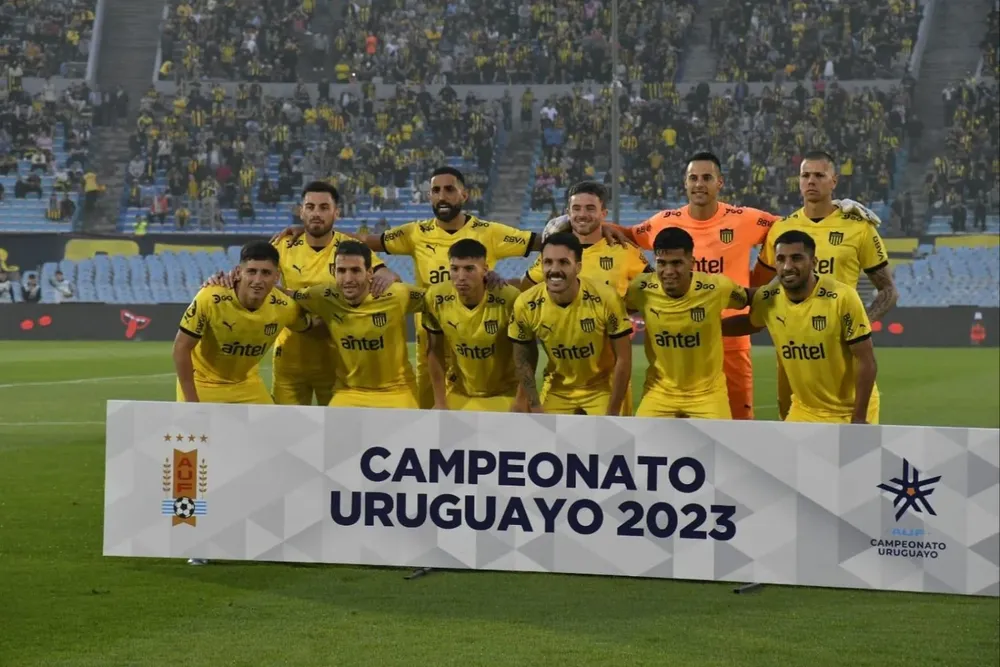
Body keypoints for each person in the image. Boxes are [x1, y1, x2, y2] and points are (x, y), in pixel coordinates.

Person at [546, 151, 881, 422]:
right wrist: (569, 221)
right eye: (693, 177)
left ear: (719, 182)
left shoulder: (745, 218)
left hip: (730, 340)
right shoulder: (664, 222)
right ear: (685, 183)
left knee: (735, 427)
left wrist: (837, 209)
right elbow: (625, 234)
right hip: (679, 343)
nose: (699, 183)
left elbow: (795, 225)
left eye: (707, 177)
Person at [274, 166, 629, 410]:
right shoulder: (414, 232)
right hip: (432, 338)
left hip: (476, 335)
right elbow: (369, 241)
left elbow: (546, 242)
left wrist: (600, 224)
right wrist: (309, 232)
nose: (442, 195)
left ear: (464, 193)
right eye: (435, 190)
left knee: (479, 407)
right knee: (430, 417)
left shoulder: (489, 230)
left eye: (449, 189)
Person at [753, 150, 897, 423]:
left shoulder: (858, 227)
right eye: (805, 175)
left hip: (841, 351)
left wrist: (858, 325)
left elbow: (888, 290)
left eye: (819, 175)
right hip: (795, 346)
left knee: (852, 455)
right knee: (793, 442)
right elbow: (767, 289)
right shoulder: (782, 229)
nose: (811, 181)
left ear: (834, 181)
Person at [521, 180, 652, 415]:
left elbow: (654, 291)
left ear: (604, 213)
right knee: (553, 448)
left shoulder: (625, 252)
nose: (582, 214)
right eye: (576, 208)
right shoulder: (555, 252)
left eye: (590, 208)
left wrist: (624, 310)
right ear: (568, 213)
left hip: (609, 380)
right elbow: (525, 291)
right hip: (559, 380)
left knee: (610, 448)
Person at [724, 230, 878, 424]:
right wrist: (706, 328)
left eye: (796, 258)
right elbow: (750, 324)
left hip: (850, 410)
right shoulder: (769, 298)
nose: (788, 266)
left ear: (813, 262)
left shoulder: (843, 297)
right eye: (781, 259)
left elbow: (866, 360)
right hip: (806, 410)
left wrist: (859, 418)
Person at [269, 181, 399, 406]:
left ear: (336, 212)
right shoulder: (284, 245)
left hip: (337, 360)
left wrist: (388, 275)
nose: (316, 213)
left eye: (323, 207)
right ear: (301, 211)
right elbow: (256, 279)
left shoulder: (351, 247)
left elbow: (388, 276)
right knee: (287, 432)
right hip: (290, 359)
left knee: (337, 433)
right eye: (310, 207)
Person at [626, 227, 750, 419]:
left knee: (718, 447)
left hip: (707, 394)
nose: (669, 271)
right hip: (660, 391)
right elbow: (616, 309)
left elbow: (749, 298)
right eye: (662, 263)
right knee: (641, 445)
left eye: (677, 263)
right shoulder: (640, 288)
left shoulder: (717, 287)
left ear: (691, 262)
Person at [173, 240, 313, 406]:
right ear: (238, 272)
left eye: (266, 273)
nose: (258, 280)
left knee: (272, 428)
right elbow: (181, 347)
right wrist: (191, 404)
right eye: (251, 271)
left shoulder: (286, 306)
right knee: (200, 431)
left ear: (277, 276)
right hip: (203, 383)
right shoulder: (210, 298)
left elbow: (311, 327)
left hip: (246, 384)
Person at [288, 241, 425, 409]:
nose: (348, 279)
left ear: (369, 273)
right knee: (333, 434)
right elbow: (288, 295)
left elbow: (438, 300)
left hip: (396, 390)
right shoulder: (323, 296)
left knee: (406, 434)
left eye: (355, 271)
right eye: (341, 271)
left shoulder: (397, 294)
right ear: (333, 272)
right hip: (349, 391)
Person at [508, 233, 633, 416]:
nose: (554, 269)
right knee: (546, 441)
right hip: (558, 388)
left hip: (601, 387)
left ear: (578, 267)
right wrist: (532, 403)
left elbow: (624, 358)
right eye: (548, 262)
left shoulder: (606, 298)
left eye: (564, 263)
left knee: (608, 441)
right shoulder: (526, 303)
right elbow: (523, 358)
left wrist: (613, 411)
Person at [423, 239, 523, 412]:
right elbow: (434, 350)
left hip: (505, 393)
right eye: (455, 269)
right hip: (459, 391)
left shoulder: (509, 298)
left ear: (485, 270)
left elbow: (526, 355)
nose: (461, 277)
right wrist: (439, 402)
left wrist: (522, 401)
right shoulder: (436, 297)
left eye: (469, 269)